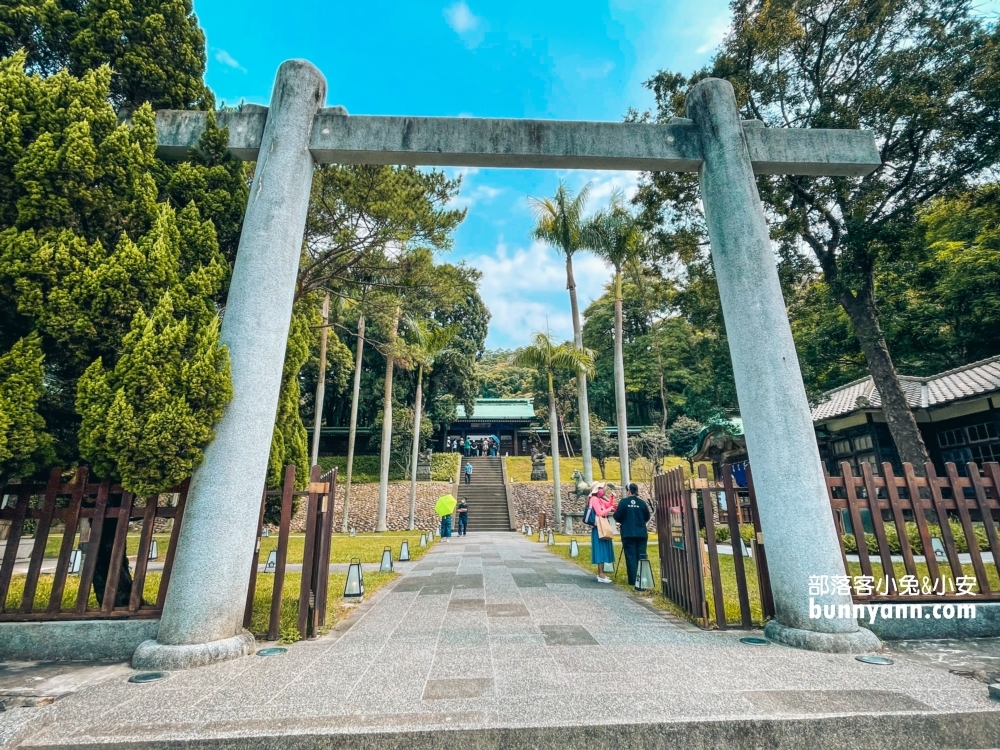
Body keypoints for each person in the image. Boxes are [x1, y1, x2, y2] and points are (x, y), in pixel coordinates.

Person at [613, 483, 652, 586]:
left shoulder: (623, 502)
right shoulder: (642, 503)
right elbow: (647, 517)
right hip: (641, 533)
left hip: (628, 533)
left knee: (630, 556)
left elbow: (617, 516)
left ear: (629, 491)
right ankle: (643, 579)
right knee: (641, 555)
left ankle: (633, 580)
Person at [587, 482, 617, 583]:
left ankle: (601, 573)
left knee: (602, 549)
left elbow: (608, 505)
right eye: (602, 488)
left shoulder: (598, 499)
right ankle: (600, 574)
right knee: (600, 550)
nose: (603, 490)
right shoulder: (594, 499)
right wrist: (610, 509)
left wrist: (612, 498)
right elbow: (600, 513)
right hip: (598, 527)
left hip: (601, 527)